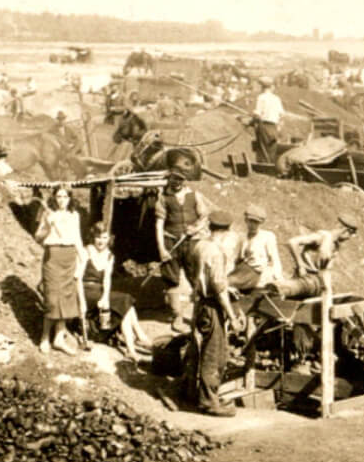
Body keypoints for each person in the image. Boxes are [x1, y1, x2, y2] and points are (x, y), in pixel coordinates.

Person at [184, 210, 243, 417]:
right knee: (214, 355)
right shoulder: (216, 252)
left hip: (200, 302)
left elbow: (203, 276)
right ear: (226, 231)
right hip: (212, 306)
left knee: (198, 350)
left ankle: (193, 393)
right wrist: (233, 317)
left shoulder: (200, 245)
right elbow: (218, 288)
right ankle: (209, 402)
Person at [78, 224, 149, 361]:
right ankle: (139, 338)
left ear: (109, 239)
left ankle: (131, 349)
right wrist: (81, 300)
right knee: (125, 300)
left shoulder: (109, 255)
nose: (101, 241)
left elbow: (106, 280)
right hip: (85, 290)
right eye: (98, 237)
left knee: (126, 305)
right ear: (93, 237)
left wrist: (105, 297)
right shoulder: (86, 251)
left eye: (104, 237)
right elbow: (78, 278)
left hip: (99, 291)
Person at [35, 184, 85, 355]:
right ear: (54, 198)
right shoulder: (48, 215)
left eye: (65, 196)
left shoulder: (74, 215)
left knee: (66, 298)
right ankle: (44, 338)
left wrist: (82, 257)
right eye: (59, 196)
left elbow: (77, 238)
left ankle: (58, 338)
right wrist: (48, 226)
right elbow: (38, 237)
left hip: (69, 257)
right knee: (52, 299)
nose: (62, 200)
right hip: (53, 257)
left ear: (69, 198)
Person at [155, 165, 209, 317]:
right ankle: (176, 314)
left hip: (192, 243)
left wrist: (196, 228)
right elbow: (159, 225)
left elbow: (204, 217)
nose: (177, 182)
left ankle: (201, 312)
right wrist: (162, 249)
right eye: (174, 178)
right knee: (171, 278)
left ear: (185, 181)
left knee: (196, 277)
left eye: (180, 179)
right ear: (169, 178)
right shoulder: (163, 197)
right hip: (170, 242)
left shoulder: (194, 195)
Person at [282, 214, 358, 298]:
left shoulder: (336, 246)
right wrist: (301, 266)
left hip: (315, 283)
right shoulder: (322, 237)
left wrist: (328, 292)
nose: (349, 238)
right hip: (301, 280)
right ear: (345, 231)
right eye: (350, 235)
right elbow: (292, 242)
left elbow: (326, 271)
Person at [228, 204, 283, 292]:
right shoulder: (242, 237)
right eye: (251, 221)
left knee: (228, 282)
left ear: (261, 223)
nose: (253, 225)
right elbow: (234, 258)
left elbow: (275, 259)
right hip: (242, 270)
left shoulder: (267, 237)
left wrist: (279, 279)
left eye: (256, 222)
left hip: (256, 273)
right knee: (224, 281)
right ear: (246, 220)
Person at [251, 79, 285, 162]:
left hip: (264, 126)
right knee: (272, 148)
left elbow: (257, 114)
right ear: (271, 87)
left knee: (262, 148)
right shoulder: (276, 99)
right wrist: (279, 127)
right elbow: (282, 114)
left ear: (263, 87)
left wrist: (252, 121)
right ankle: (271, 166)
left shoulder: (261, 97)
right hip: (274, 127)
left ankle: (263, 166)